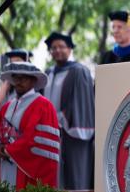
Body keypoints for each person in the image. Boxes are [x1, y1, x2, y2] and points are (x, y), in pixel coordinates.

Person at [0, 62, 60, 190]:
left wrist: (7, 150)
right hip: (4, 167)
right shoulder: (6, 106)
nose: (19, 81)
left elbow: (34, 139)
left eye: (24, 77)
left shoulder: (44, 106)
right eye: (16, 77)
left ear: (34, 80)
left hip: (26, 173)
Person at [43, 31, 95, 190]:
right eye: (53, 48)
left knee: (75, 174)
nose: (57, 50)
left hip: (71, 132)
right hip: (51, 132)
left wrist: (59, 120)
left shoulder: (79, 71)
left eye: (61, 46)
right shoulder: (48, 73)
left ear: (70, 49)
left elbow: (82, 104)